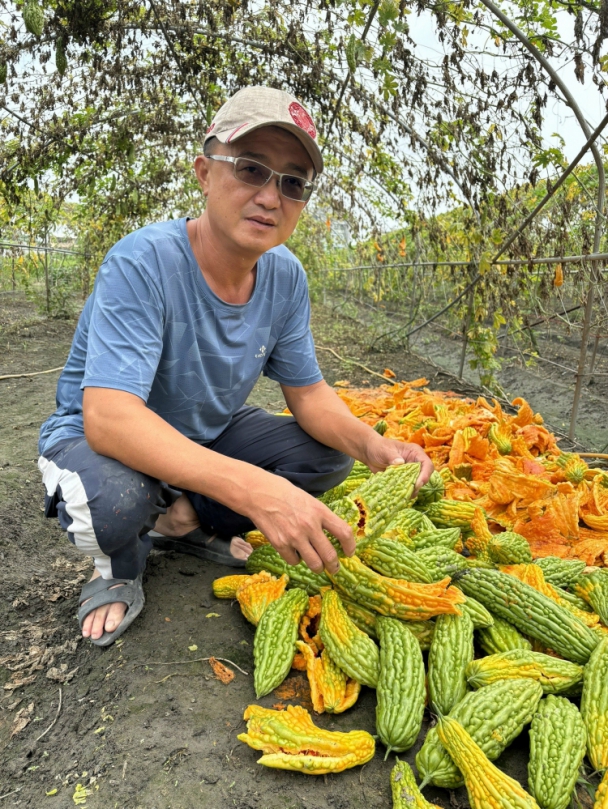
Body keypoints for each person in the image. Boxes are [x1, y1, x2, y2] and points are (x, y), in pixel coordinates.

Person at [37, 86, 433, 647]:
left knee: (327, 457)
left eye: (293, 183)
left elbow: (310, 394)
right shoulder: (142, 262)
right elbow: (109, 418)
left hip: (205, 433)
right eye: (251, 169)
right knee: (115, 503)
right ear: (204, 172)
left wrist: (376, 448)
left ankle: (182, 520)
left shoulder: (285, 276)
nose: (271, 197)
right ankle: (118, 567)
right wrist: (252, 491)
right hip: (96, 438)